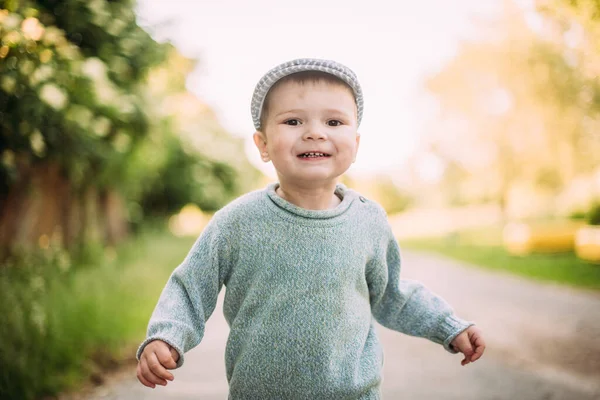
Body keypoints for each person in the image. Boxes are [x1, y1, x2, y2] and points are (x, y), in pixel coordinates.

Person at [136, 58, 485, 399]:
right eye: (292, 121)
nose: (315, 133)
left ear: (356, 144)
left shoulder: (368, 221)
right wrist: (165, 336)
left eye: (334, 122)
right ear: (263, 145)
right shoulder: (237, 223)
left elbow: (392, 294)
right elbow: (190, 287)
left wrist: (447, 326)